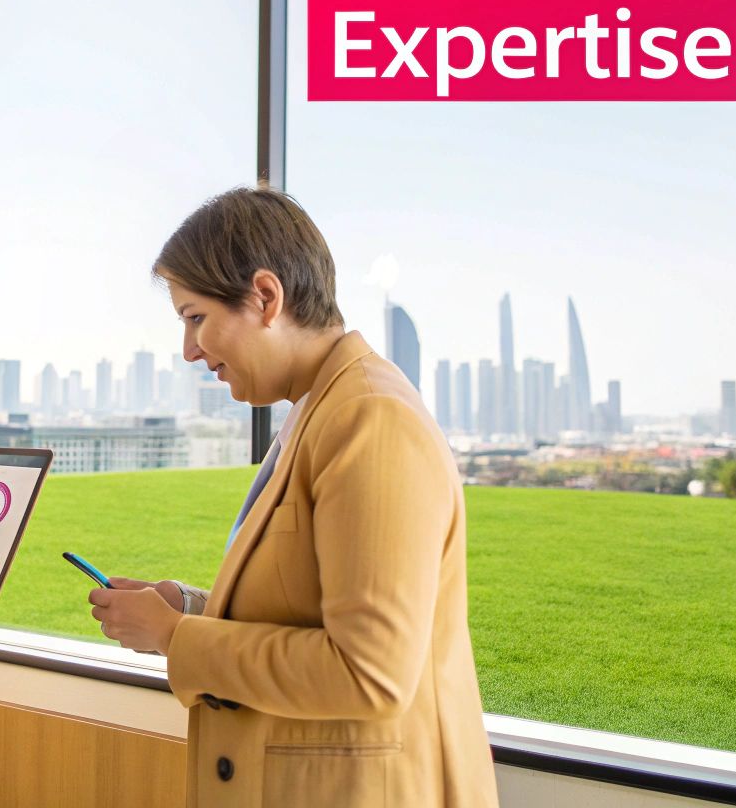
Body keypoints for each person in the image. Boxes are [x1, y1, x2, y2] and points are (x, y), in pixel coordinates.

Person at [88, 186, 500, 808]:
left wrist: (178, 636)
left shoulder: (370, 420)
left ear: (265, 297)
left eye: (196, 317)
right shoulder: (316, 409)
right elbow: (303, 605)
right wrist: (190, 606)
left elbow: (368, 673)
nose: (189, 351)